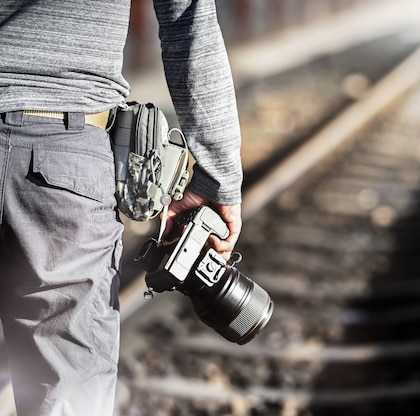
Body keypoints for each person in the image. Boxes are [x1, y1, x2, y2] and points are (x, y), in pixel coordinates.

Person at [0, 0, 243, 415]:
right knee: (68, 386)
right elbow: (187, 21)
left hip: (64, 151)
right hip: (62, 154)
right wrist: (219, 176)